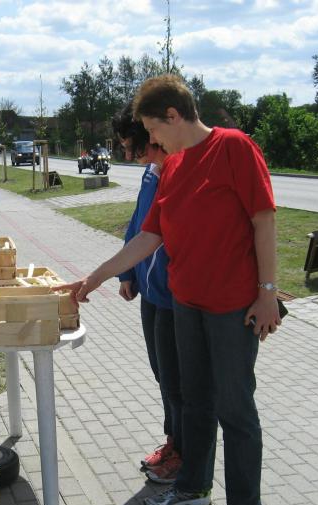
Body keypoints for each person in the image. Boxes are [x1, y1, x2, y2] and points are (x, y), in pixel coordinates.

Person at [59, 74, 280, 505]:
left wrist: (267, 292)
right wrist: (93, 278)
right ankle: (194, 488)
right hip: (186, 304)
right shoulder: (174, 167)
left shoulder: (233, 148)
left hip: (232, 306)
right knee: (193, 401)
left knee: (235, 407)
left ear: (174, 116)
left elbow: (263, 220)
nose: (151, 140)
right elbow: (148, 236)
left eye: (153, 129)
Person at [112, 103, 182, 484]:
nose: (128, 155)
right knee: (161, 375)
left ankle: (183, 453)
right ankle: (172, 441)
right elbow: (137, 224)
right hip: (151, 294)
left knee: (176, 381)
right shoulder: (150, 172)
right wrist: (127, 272)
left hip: (173, 296)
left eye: (131, 147)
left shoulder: (175, 170)